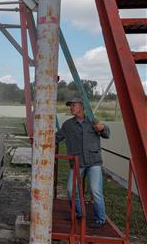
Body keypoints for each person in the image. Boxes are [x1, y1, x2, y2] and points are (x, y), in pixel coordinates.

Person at [55, 97, 110, 229]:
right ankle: (79, 213)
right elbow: (56, 138)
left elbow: (106, 133)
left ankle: (100, 219)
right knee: (70, 190)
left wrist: (102, 128)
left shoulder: (92, 121)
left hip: (94, 162)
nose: (71, 107)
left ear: (82, 106)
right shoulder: (68, 125)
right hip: (77, 162)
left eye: (74, 105)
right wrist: (41, 142)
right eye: (70, 105)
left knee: (96, 191)